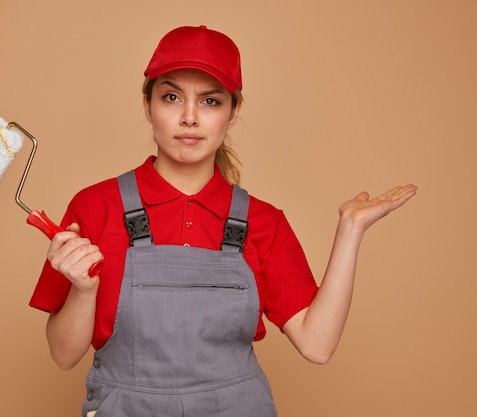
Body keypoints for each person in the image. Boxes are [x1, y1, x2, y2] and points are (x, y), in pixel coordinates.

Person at [29, 25, 417, 417]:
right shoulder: (95, 206)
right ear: (147, 105)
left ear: (234, 113)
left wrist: (350, 231)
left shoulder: (264, 222)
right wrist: (82, 289)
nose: (190, 117)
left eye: (211, 101)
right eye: (171, 97)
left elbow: (317, 345)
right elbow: (63, 355)